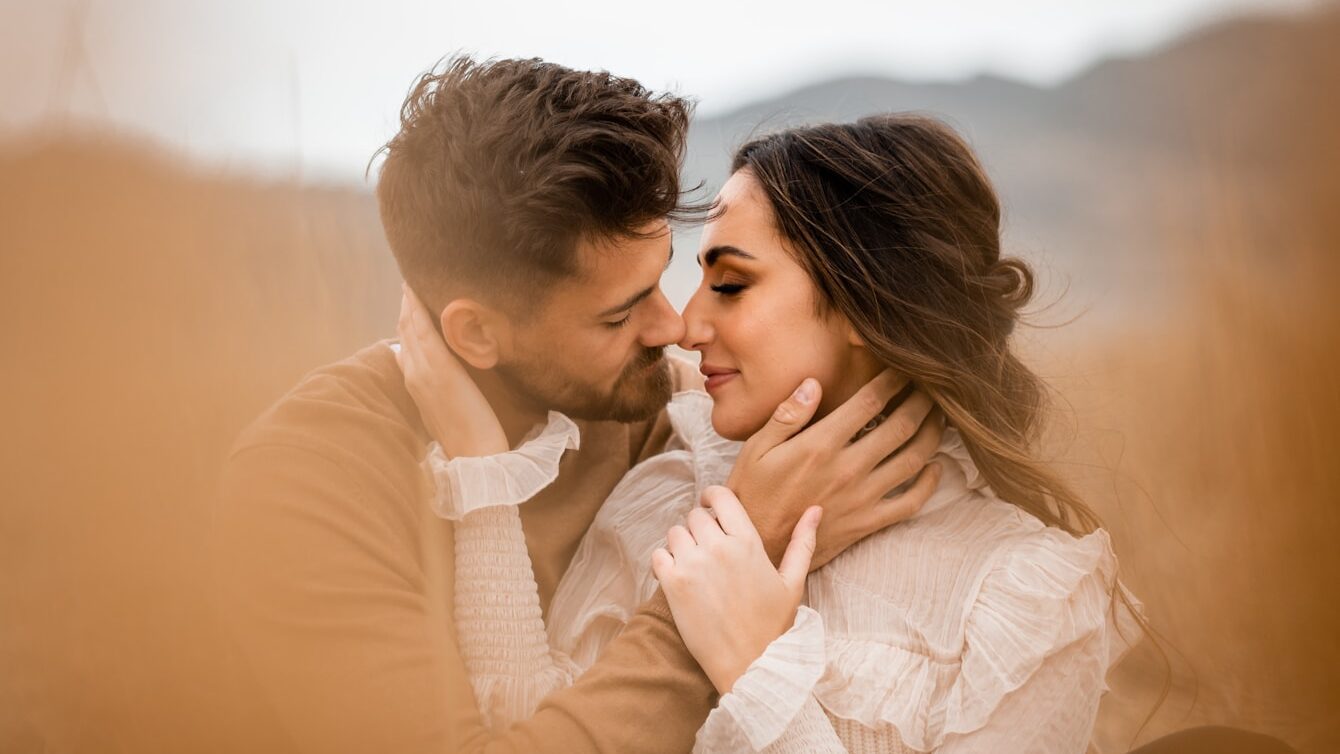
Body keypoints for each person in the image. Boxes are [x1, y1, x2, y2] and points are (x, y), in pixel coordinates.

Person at [210, 58, 942, 754]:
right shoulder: (304, 484)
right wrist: (725, 570)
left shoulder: (658, 411)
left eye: (662, 278)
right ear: (476, 332)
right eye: (619, 316)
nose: (673, 329)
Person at [399, 114, 1148, 752]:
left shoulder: (1026, 595)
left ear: (867, 303)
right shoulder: (671, 491)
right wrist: (481, 468)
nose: (688, 325)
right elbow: (525, 724)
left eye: (729, 284)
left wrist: (759, 670)